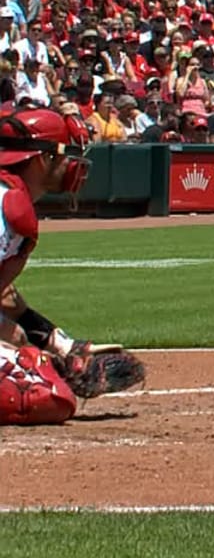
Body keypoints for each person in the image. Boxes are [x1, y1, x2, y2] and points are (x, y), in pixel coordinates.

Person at [0, 106, 143, 424]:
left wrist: (58, 344)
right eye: (65, 154)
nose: (73, 164)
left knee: (24, 348)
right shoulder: (8, 203)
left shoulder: (10, 194)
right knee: (47, 395)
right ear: (42, 159)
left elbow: (3, 293)